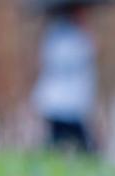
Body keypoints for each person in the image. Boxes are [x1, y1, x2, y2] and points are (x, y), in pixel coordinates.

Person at [32, 4, 98, 155]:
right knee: (78, 143)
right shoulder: (61, 34)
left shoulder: (78, 33)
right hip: (61, 102)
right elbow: (62, 60)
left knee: (65, 141)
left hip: (71, 102)